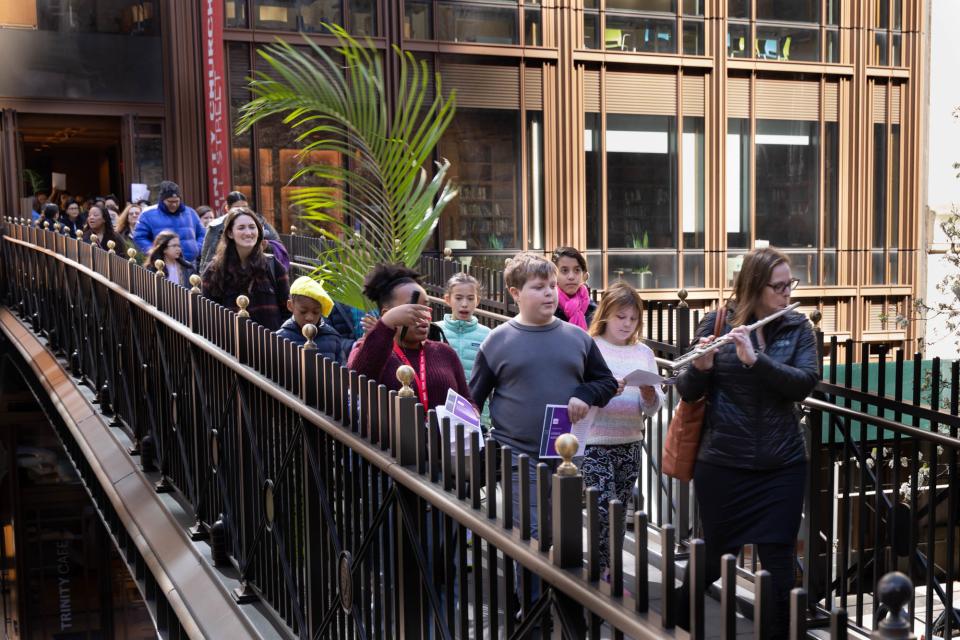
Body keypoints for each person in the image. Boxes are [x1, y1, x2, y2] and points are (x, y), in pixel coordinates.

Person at [675, 247, 818, 640]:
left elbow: (804, 383)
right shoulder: (717, 321)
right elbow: (686, 391)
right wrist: (699, 369)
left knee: (779, 566)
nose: (787, 293)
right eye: (779, 286)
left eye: (791, 284)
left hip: (782, 465)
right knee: (715, 557)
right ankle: (673, 621)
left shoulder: (798, 328)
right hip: (724, 463)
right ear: (755, 287)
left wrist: (758, 360)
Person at [469, 252, 618, 546]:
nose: (549, 292)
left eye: (551, 285)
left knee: (564, 538)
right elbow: (473, 398)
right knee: (531, 537)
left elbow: (606, 382)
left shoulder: (578, 338)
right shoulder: (497, 341)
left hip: (567, 458)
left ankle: (556, 593)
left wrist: (584, 394)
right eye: (538, 287)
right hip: (517, 456)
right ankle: (527, 593)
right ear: (515, 293)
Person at [581, 282, 664, 580]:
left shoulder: (643, 352)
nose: (627, 324)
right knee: (602, 508)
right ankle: (600, 569)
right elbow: (578, 394)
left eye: (633, 319)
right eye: (621, 317)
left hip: (630, 442)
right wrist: (604, 391)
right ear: (605, 315)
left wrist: (649, 393)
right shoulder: (590, 347)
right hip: (595, 441)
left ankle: (610, 569)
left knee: (618, 514)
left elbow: (653, 408)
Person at [347, 264, 471, 407]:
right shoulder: (368, 350)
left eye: (425, 307)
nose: (424, 315)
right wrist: (386, 323)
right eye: (413, 308)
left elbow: (467, 399)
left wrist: (473, 410)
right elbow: (356, 384)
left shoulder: (445, 352)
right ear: (387, 314)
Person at [201, 207, 289, 330]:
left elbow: (287, 310)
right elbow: (207, 316)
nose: (248, 233)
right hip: (230, 345)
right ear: (230, 233)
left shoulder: (273, 266)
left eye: (252, 227)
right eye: (241, 228)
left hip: (270, 344)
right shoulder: (214, 271)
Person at [276, 276, 353, 362]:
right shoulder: (280, 338)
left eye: (316, 312)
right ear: (290, 306)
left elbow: (341, 369)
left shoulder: (332, 338)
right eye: (303, 311)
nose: (310, 318)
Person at [199, 190, 280, 271]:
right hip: (224, 272)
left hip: (257, 268)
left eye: (245, 207)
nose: (241, 210)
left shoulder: (259, 221)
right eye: (237, 208)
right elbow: (207, 257)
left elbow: (277, 244)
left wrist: (264, 247)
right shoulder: (216, 225)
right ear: (227, 208)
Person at [435, 272, 490, 386]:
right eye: (458, 298)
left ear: (477, 300)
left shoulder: (488, 335)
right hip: (442, 400)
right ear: (447, 299)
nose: (464, 304)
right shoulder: (435, 330)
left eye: (470, 298)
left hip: (475, 402)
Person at [133, 181, 205, 263]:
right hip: (162, 263)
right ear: (162, 200)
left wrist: (197, 248)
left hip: (189, 262)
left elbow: (202, 234)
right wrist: (153, 251)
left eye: (176, 201)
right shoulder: (147, 215)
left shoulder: (191, 212)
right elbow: (139, 237)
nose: (174, 205)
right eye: (170, 202)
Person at [552, 246, 597, 329]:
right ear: (554, 275)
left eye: (577, 270)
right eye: (565, 270)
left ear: (583, 274)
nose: (571, 277)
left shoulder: (594, 312)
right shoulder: (548, 308)